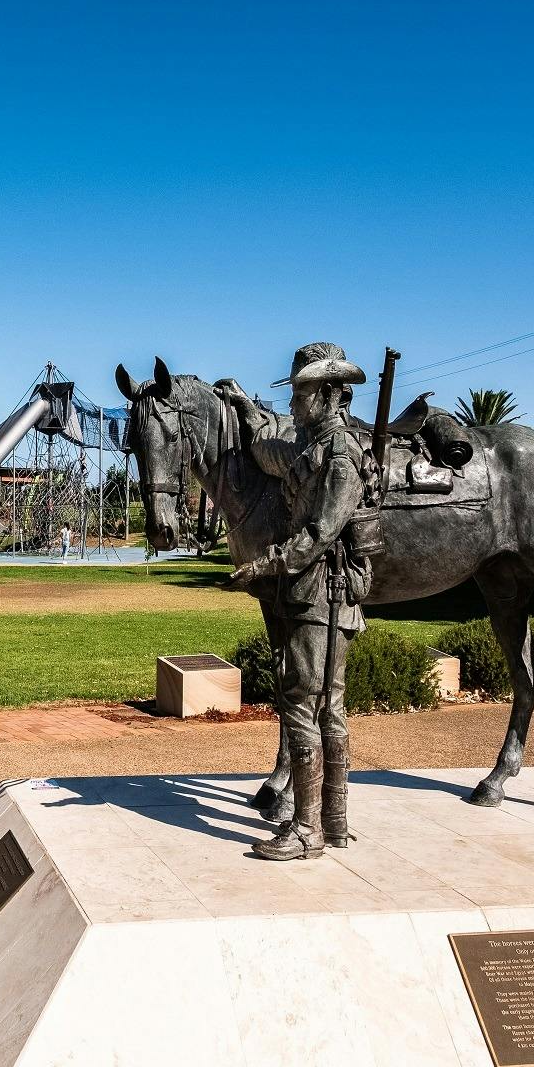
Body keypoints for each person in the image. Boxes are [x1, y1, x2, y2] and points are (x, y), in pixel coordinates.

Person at [228, 343, 379, 861]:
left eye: (300, 392)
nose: (292, 402)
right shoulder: (310, 449)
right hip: (318, 593)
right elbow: (269, 450)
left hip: (323, 595)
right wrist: (250, 412)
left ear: (331, 395)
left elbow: (319, 532)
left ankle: (307, 831)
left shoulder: (341, 456)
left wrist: (264, 564)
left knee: (302, 702)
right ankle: (334, 823)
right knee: (328, 706)